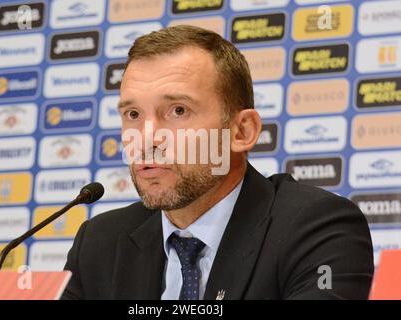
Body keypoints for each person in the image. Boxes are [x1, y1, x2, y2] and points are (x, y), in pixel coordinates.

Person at [62, 25, 373, 300]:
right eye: (133, 115)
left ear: (242, 131)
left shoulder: (316, 228)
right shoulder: (100, 243)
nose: (146, 139)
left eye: (178, 111)